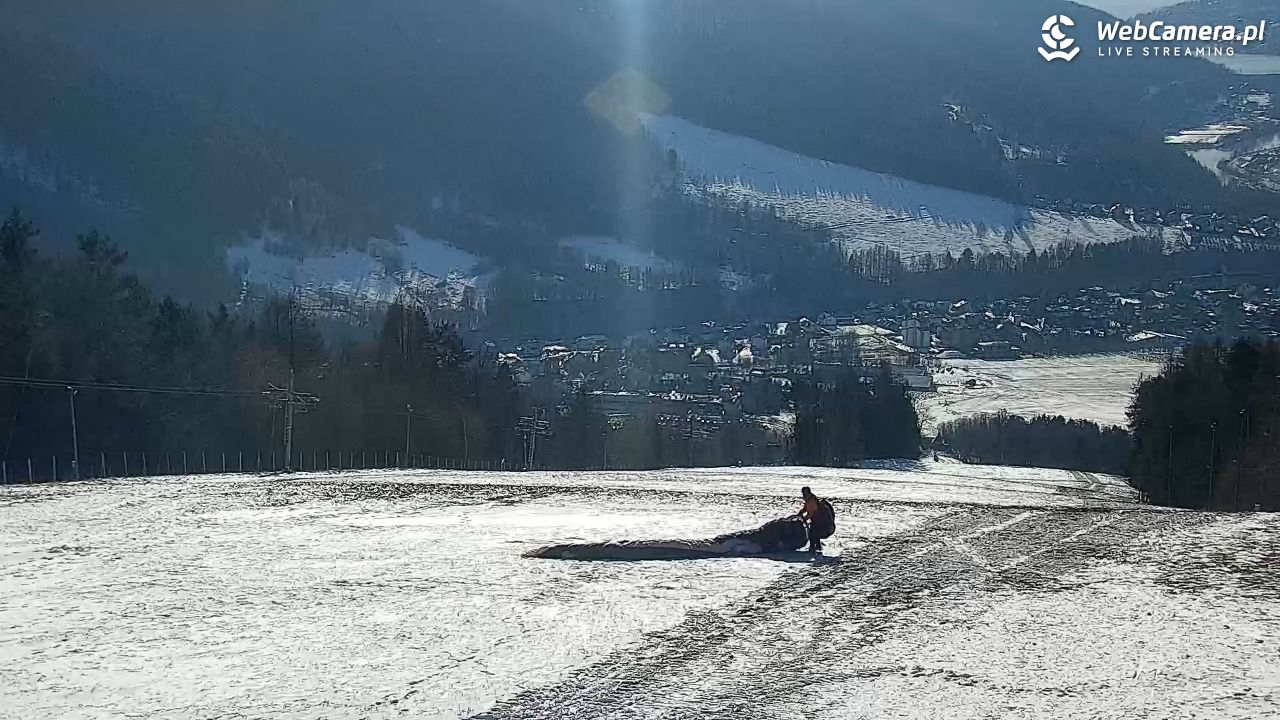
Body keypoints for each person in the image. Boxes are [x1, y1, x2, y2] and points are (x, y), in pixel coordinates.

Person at [797, 486, 835, 554]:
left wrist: (804, 519)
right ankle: (816, 548)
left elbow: (812, 512)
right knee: (814, 535)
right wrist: (801, 513)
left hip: (820, 522)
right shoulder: (809, 499)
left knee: (813, 535)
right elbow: (806, 509)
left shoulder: (811, 500)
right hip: (817, 521)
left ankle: (813, 549)